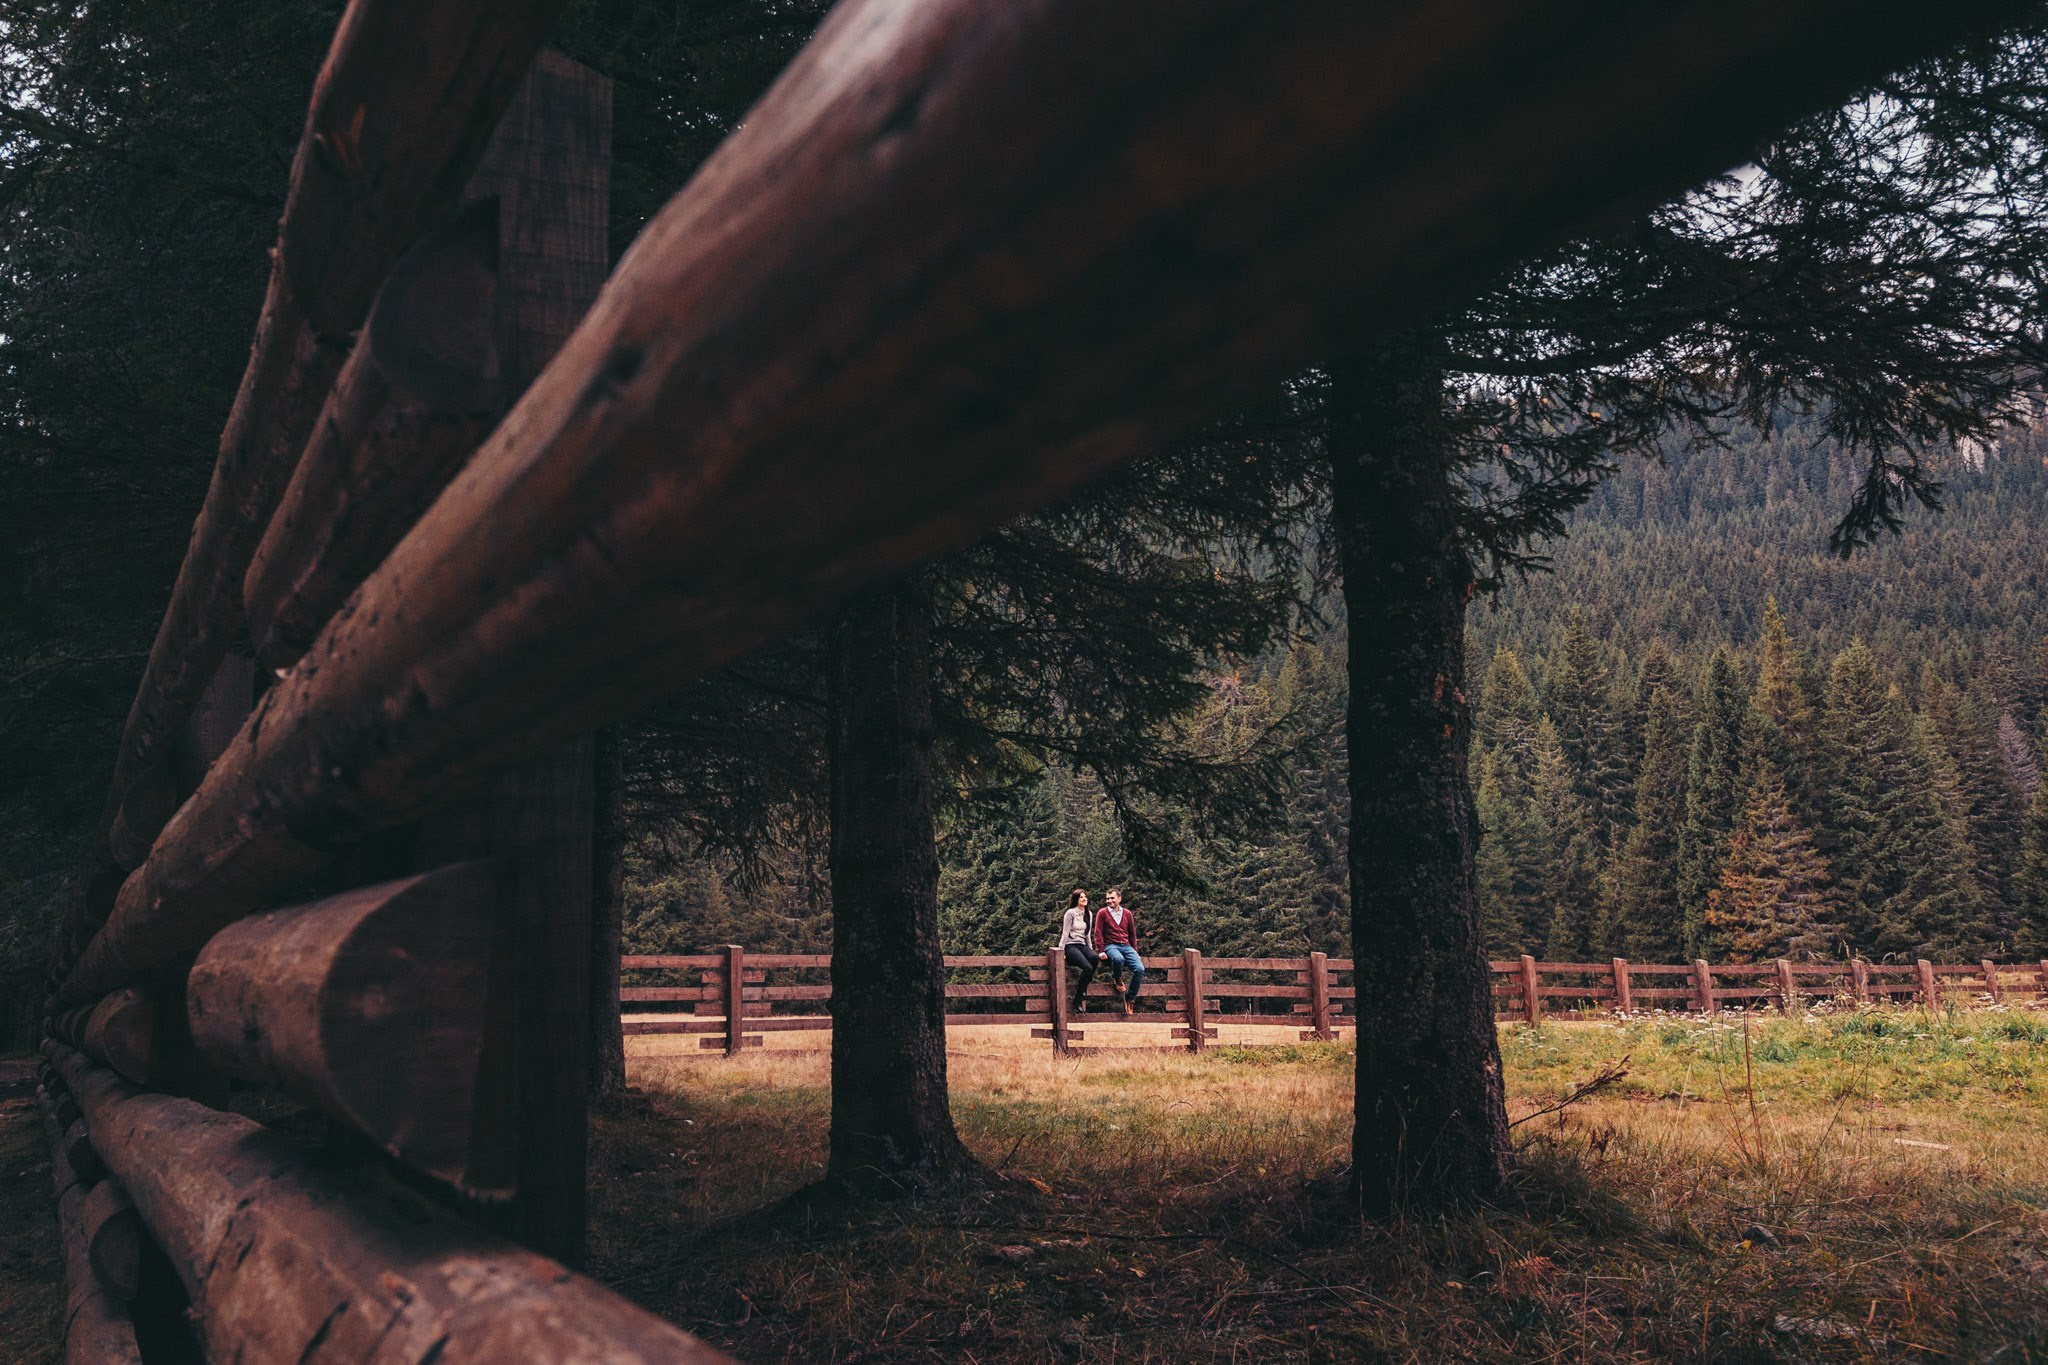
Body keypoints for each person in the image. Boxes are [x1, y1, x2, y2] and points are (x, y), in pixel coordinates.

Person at [1092, 887, 1144, 1015]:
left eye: (1112, 898)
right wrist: (1101, 950)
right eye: (1107, 899)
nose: (1109, 901)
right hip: (1111, 945)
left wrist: (1135, 950)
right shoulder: (1102, 913)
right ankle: (1117, 978)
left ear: (1119, 899)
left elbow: (1132, 933)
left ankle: (1130, 998)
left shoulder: (1127, 913)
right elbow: (1097, 932)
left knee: (1140, 969)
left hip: (1126, 946)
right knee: (1118, 958)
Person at [1057, 889, 1101, 1012]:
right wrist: (1061, 951)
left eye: (1085, 897)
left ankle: (1082, 990)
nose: (1084, 899)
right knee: (1087, 967)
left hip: (1082, 945)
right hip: (1071, 946)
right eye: (1081, 897)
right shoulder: (1070, 913)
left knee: (1095, 958)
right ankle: (1078, 997)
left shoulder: (1089, 914)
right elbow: (1065, 933)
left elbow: (1087, 935)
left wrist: (1091, 951)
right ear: (1076, 899)